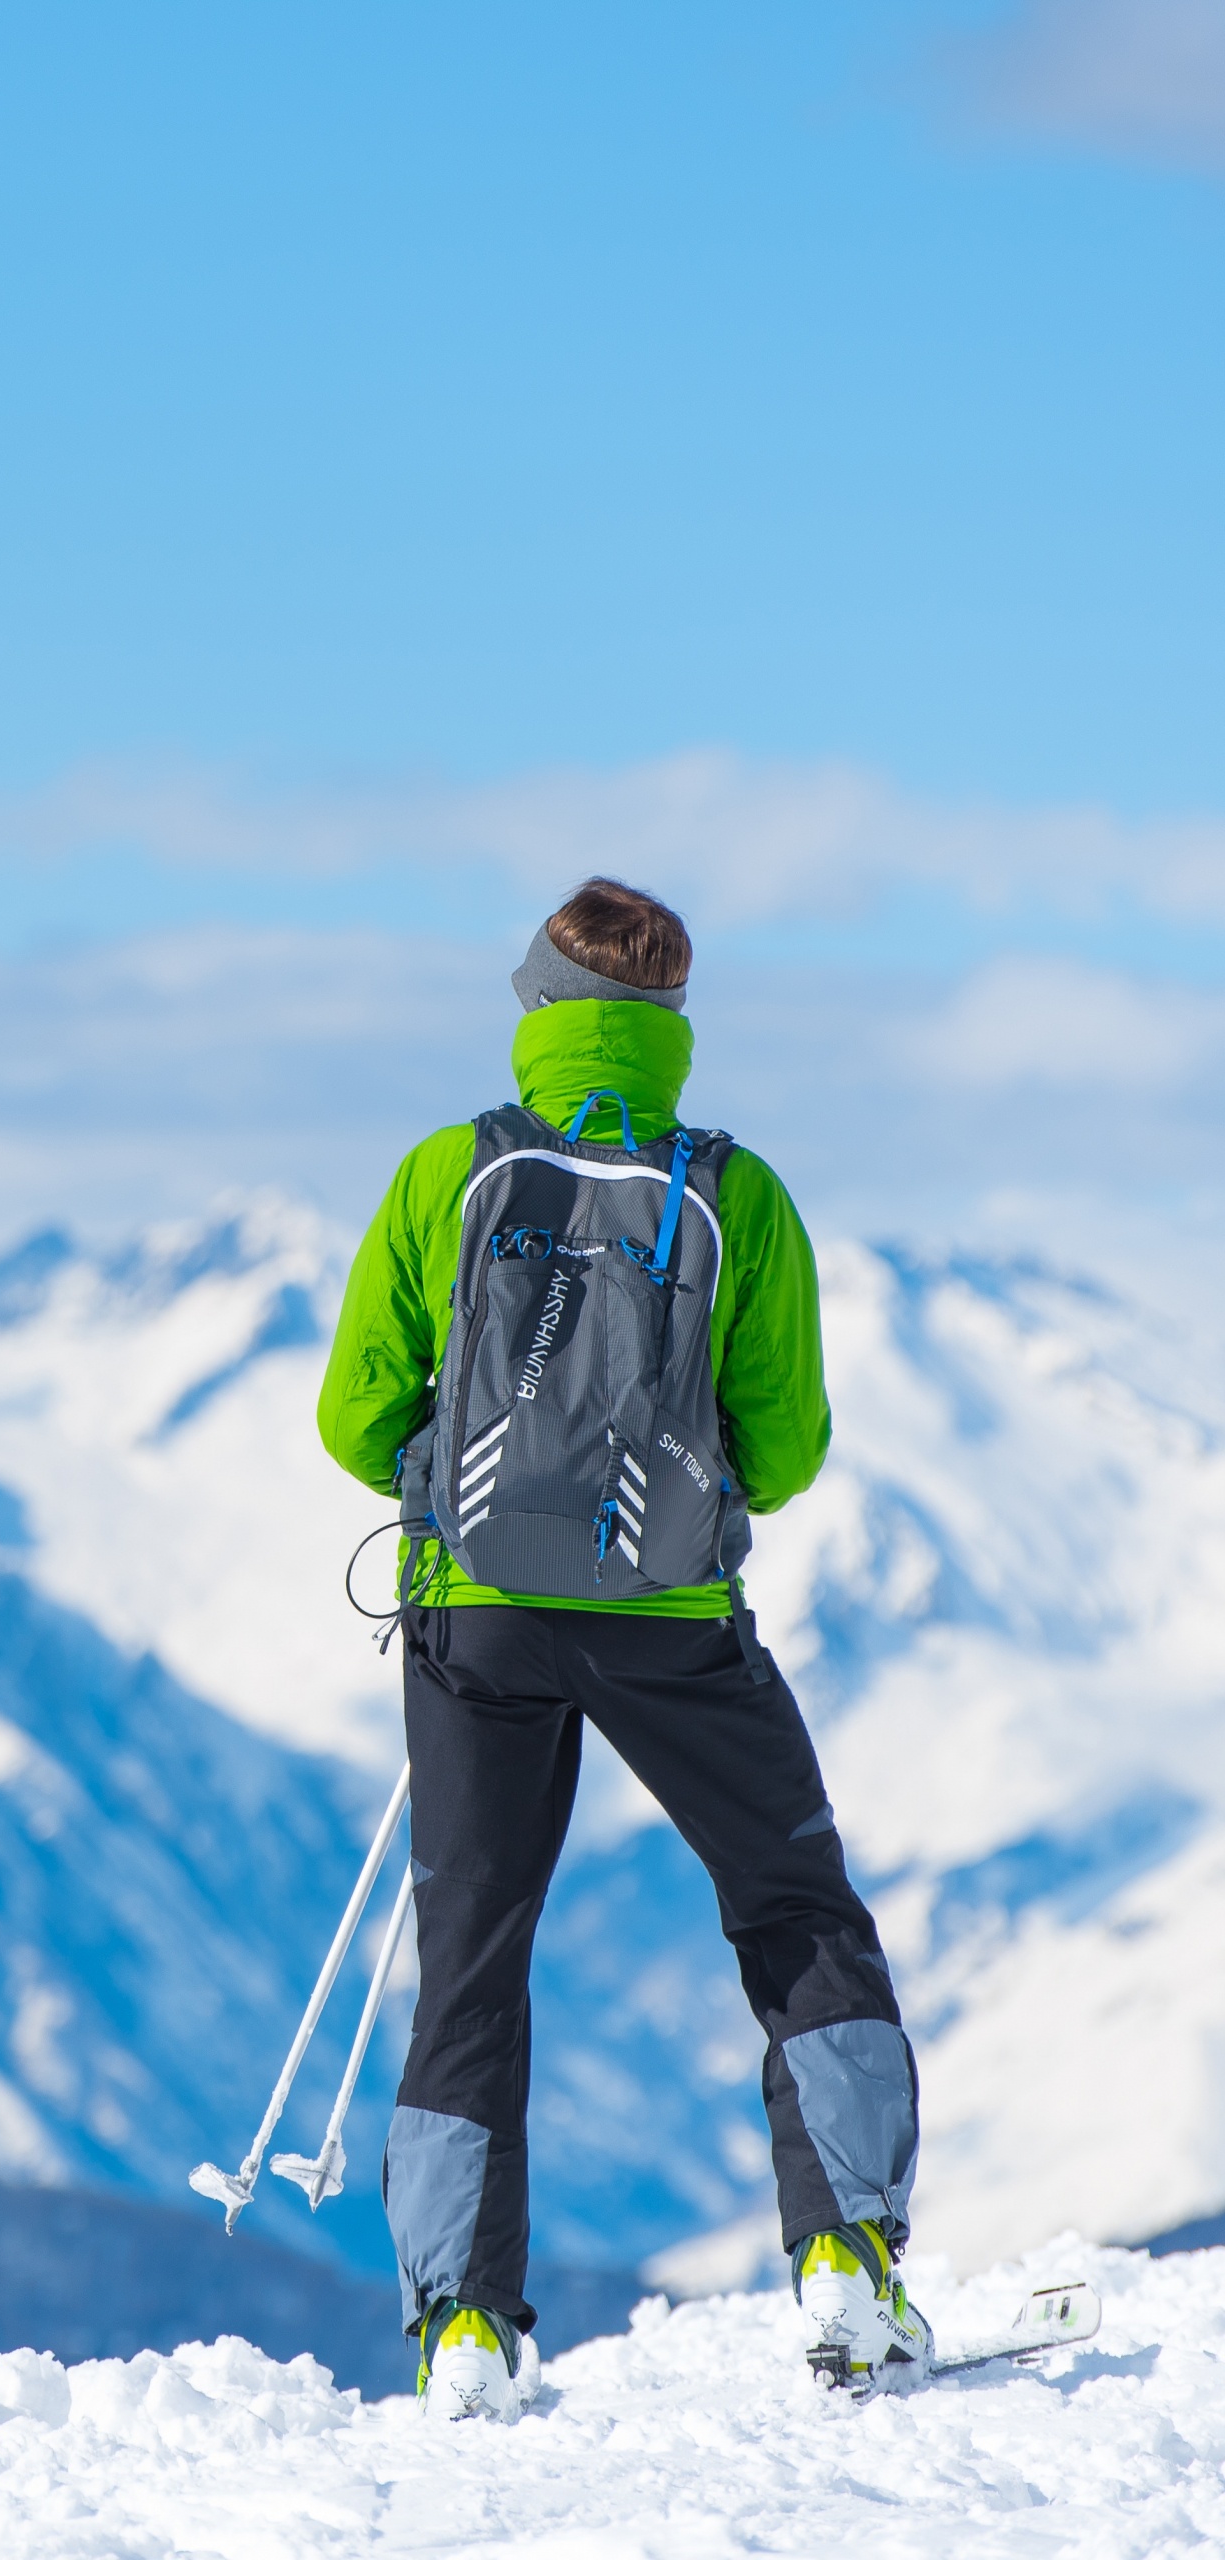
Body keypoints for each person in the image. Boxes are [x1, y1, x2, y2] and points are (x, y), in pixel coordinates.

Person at [317, 877, 928, 2418]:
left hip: (476, 1615)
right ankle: (847, 2255)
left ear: (534, 1005)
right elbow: (784, 1452)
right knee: (792, 1905)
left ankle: (464, 2327)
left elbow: (351, 1417)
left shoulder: (446, 1175)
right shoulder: (738, 1190)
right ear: (675, 1021)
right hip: (670, 1622)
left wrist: (460, 1487)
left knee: (472, 1951)